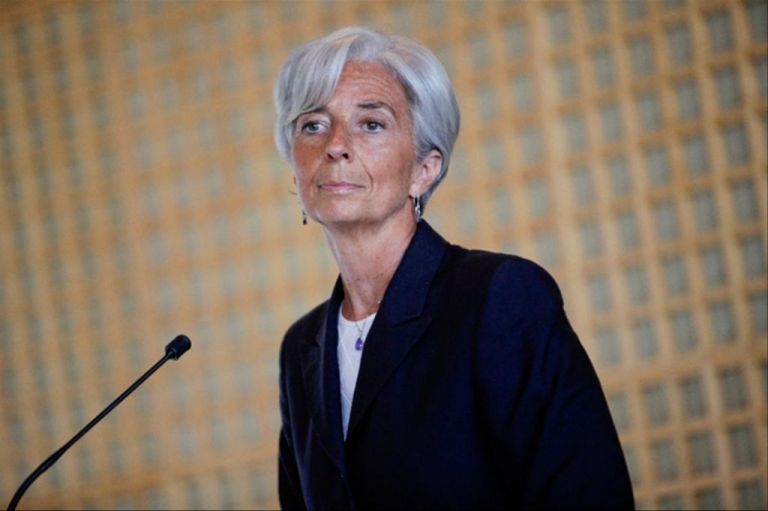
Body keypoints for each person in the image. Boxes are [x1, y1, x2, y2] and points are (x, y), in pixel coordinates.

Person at [274, 26, 634, 510]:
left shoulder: (500, 298)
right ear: (295, 170)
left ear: (424, 169)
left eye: (371, 124)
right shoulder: (300, 349)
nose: (336, 145)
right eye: (313, 125)